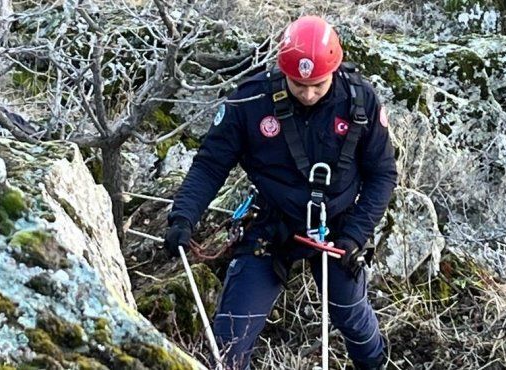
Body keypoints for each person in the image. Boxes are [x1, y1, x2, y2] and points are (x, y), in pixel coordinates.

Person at [164, 15, 397, 370]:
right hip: (272, 224)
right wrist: (183, 216)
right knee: (229, 344)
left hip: (337, 229)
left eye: (317, 85)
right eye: (297, 84)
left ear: (333, 69)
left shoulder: (359, 102)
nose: (306, 93)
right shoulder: (250, 101)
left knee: (354, 319)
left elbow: (382, 175)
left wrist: (355, 236)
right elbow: (211, 165)